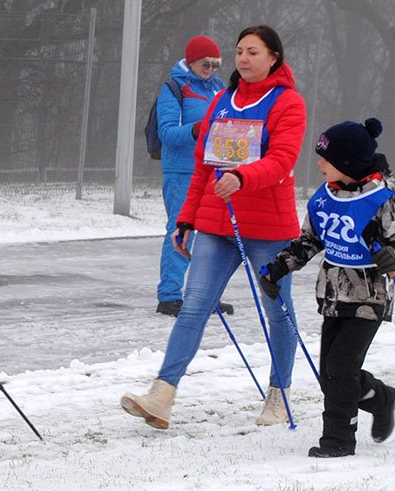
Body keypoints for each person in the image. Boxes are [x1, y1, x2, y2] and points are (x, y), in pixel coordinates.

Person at [121, 25, 308, 429]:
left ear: (274, 57)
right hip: (216, 224)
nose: (243, 58)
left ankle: (279, 395)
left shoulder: (287, 103)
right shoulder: (222, 100)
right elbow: (204, 167)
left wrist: (243, 177)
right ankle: (162, 394)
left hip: (268, 227)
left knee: (277, 311)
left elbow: (282, 159)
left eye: (253, 52)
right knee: (193, 308)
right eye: (239, 51)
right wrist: (187, 218)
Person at [257, 118, 395, 458]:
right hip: (332, 295)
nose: (319, 164)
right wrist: (278, 268)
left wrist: (392, 258)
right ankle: (381, 397)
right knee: (331, 375)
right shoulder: (323, 198)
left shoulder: (382, 200)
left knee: (340, 369)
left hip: (368, 297)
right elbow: (308, 242)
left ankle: (339, 441)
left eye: (325, 159)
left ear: (346, 163)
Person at [154, 35, 232, 317]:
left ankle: (204, 295)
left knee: (213, 233)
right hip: (183, 170)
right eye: (205, 64)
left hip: (215, 172)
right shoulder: (175, 89)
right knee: (180, 230)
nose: (210, 69)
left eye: (215, 65)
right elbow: (167, 133)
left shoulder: (220, 89)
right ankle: (170, 295)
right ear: (191, 60)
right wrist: (197, 129)